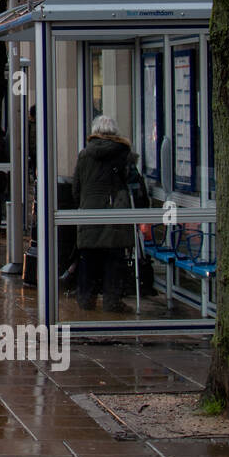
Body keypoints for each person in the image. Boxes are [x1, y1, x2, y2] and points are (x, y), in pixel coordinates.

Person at [71, 114, 138, 313]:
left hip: (89, 212)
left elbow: (76, 187)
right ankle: (112, 301)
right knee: (114, 259)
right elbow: (133, 183)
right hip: (115, 213)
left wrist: (84, 204)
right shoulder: (124, 154)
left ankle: (86, 299)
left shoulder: (84, 155)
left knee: (88, 259)